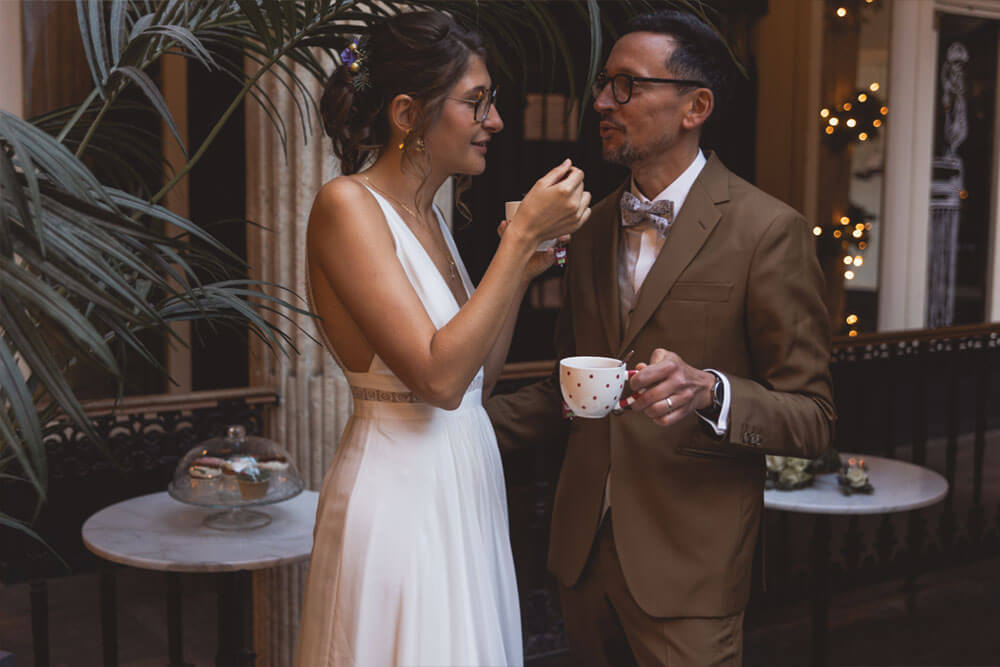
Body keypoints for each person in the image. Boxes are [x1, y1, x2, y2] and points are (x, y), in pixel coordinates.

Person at [488, 9, 836, 666]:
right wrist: (446, 430)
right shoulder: (585, 235)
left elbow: (813, 418)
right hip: (581, 556)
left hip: (692, 570)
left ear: (694, 107)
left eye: (626, 86)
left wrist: (712, 391)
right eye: (603, 84)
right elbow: (568, 389)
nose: (601, 102)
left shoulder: (769, 232)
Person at [294, 11, 590, 666]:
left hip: (464, 482)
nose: (495, 122)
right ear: (408, 113)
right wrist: (514, 240)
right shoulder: (347, 206)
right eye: (476, 102)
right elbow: (437, 380)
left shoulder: (431, 217)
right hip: (402, 494)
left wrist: (524, 265)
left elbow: (478, 371)